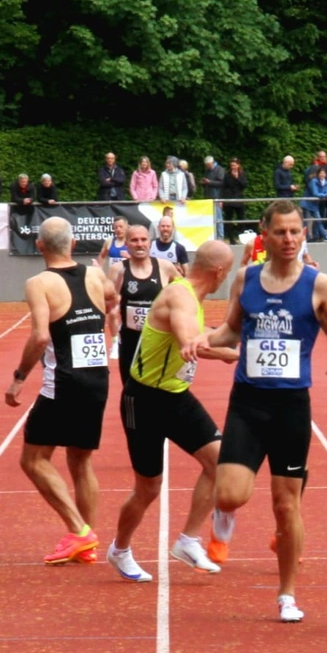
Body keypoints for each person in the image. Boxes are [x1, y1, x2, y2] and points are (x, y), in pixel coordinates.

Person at [186, 200, 327, 622]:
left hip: (290, 406)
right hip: (248, 403)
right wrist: (203, 338)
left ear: (303, 233)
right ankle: (223, 511)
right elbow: (232, 328)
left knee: (286, 506)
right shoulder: (246, 278)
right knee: (231, 493)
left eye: (295, 232)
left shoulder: (318, 284)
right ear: (263, 234)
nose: (289, 240)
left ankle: (287, 594)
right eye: (281, 232)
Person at [108, 240, 239, 582]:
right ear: (220, 272)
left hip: (176, 396)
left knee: (219, 462)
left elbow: (204, 334)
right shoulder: (179, 296)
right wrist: (237, 356)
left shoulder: (195, 297)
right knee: (148, 488)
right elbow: (190, 346)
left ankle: (188, 540)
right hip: (145, 400)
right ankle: (119, 549)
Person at [4, 217, 117, 565]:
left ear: (40, 246)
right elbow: (112, 297)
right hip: (98, 375)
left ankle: (80, 531)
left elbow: (40, 336)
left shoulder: (39, 283)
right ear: (73, 243)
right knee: (81, 461)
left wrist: (20, 376)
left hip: (65, 379)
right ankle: (87, 541)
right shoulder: (95, 275)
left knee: (33, 459)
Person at [109, 223, 179, 384]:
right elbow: (108, 304)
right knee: (130, 387)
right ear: (126, 243)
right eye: (134, 240)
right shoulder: (118, 270)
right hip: (129, 339)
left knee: (158, 388)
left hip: (158, 339)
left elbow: (185, 291)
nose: (139, 244)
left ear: (150, 242)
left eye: (143, 239)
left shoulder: (164, 267)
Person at [221, 157, 248, 242]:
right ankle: (231, 238)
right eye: (231, 165)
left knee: (241, 218)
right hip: (229, 199)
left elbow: (244, 185)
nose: (233, 167)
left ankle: (243, 237)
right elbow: (223, 187)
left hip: (238, 199)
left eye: (234, 165)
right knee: (229, 219)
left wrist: (237, 178)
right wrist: (221, 200)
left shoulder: (242, 174)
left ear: (238, 165)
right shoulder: (227, 174)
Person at [201, 156, 226, 240]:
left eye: (208, 165)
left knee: (218, 217)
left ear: (212, 163)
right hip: (208, 197)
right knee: (210, 217)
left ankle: (220, 236)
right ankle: (213, 235)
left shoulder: (220, 170)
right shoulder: (207, 171)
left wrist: (210, 182)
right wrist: (203, 183)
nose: (207, 166)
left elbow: (222, 183)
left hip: (217, 197)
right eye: (206, 165)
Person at [305, 167, 327, 242]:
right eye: (321, 173)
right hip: (306, 204)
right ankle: (304, 237)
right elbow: (315, 193)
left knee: (319, 220)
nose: (322, 174)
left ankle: (326, 236)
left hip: (314, 204)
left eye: (324, 173)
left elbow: (326, 192)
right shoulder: (313, 181)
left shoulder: (325, 182)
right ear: (318, 174)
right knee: (305, 222)